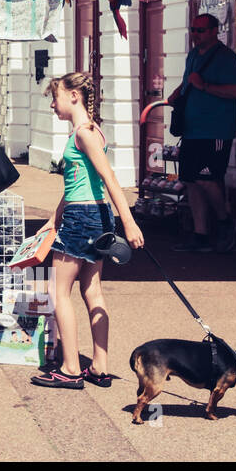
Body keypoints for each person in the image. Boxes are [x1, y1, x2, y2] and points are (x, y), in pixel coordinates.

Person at [29, 72, 145, 389]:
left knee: (59, 291)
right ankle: (99, 366)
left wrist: (129, 222)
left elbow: (108, 177)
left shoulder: (84, 133)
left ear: (74, 97)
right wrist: (54, 219)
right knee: (91, 290)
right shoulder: (90, 132)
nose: (52, 104)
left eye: (56, 97)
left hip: (84, 216)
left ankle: (70, 368)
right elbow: (79, 184)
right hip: (94, 213)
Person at [167, 14, 236, 253]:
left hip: (216, 131)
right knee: (190, 180)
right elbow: (188, 82)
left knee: (207, 178)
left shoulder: (227, 58)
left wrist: (205, 86)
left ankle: (224, 221)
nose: (196, 34)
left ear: (214, 31)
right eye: (193, 29)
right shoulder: (192, 56)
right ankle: (200, 234)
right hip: (191, 130)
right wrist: (177, 93)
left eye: (201, 30)